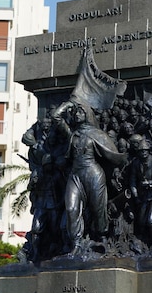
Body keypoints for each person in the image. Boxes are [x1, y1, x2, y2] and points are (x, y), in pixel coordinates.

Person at [52, 98, 128, 256]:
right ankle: (77, 244)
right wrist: (67, 104)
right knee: (71, 208)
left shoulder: (97, 134)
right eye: (75, 112)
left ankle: (102, 237)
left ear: (87, 115)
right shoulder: (72, 134)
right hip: (76, 175)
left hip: (93, 173)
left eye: (80, 111)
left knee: (98, 209)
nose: (77, 114)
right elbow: (56, 117)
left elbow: (116, 157)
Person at [129, 139, 152, 247]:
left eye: (145, 150)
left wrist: (149, 183)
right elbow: (133, 180)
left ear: (148, 151)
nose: (143, 153)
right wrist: (135, 194)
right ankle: (144, 244)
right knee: (141, 222)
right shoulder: (136, 163)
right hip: (143, 196)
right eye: (141, 151)